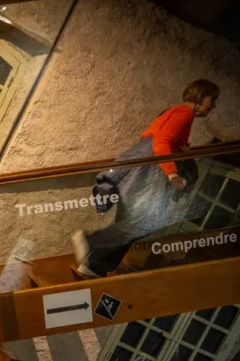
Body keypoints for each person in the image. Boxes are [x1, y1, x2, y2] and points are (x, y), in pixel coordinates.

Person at [72, 79, 220, 278]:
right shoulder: (183, 113)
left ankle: (95, 264)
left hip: (145, 167)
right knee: (148, 219)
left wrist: (181, 150)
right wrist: (173, 174)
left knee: (132, 219)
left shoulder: (178, 114)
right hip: (149, 169)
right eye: (213, 99)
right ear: (201, 95)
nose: (214, 105)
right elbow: (161, 142)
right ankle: (92, 242)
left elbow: (164, 140)